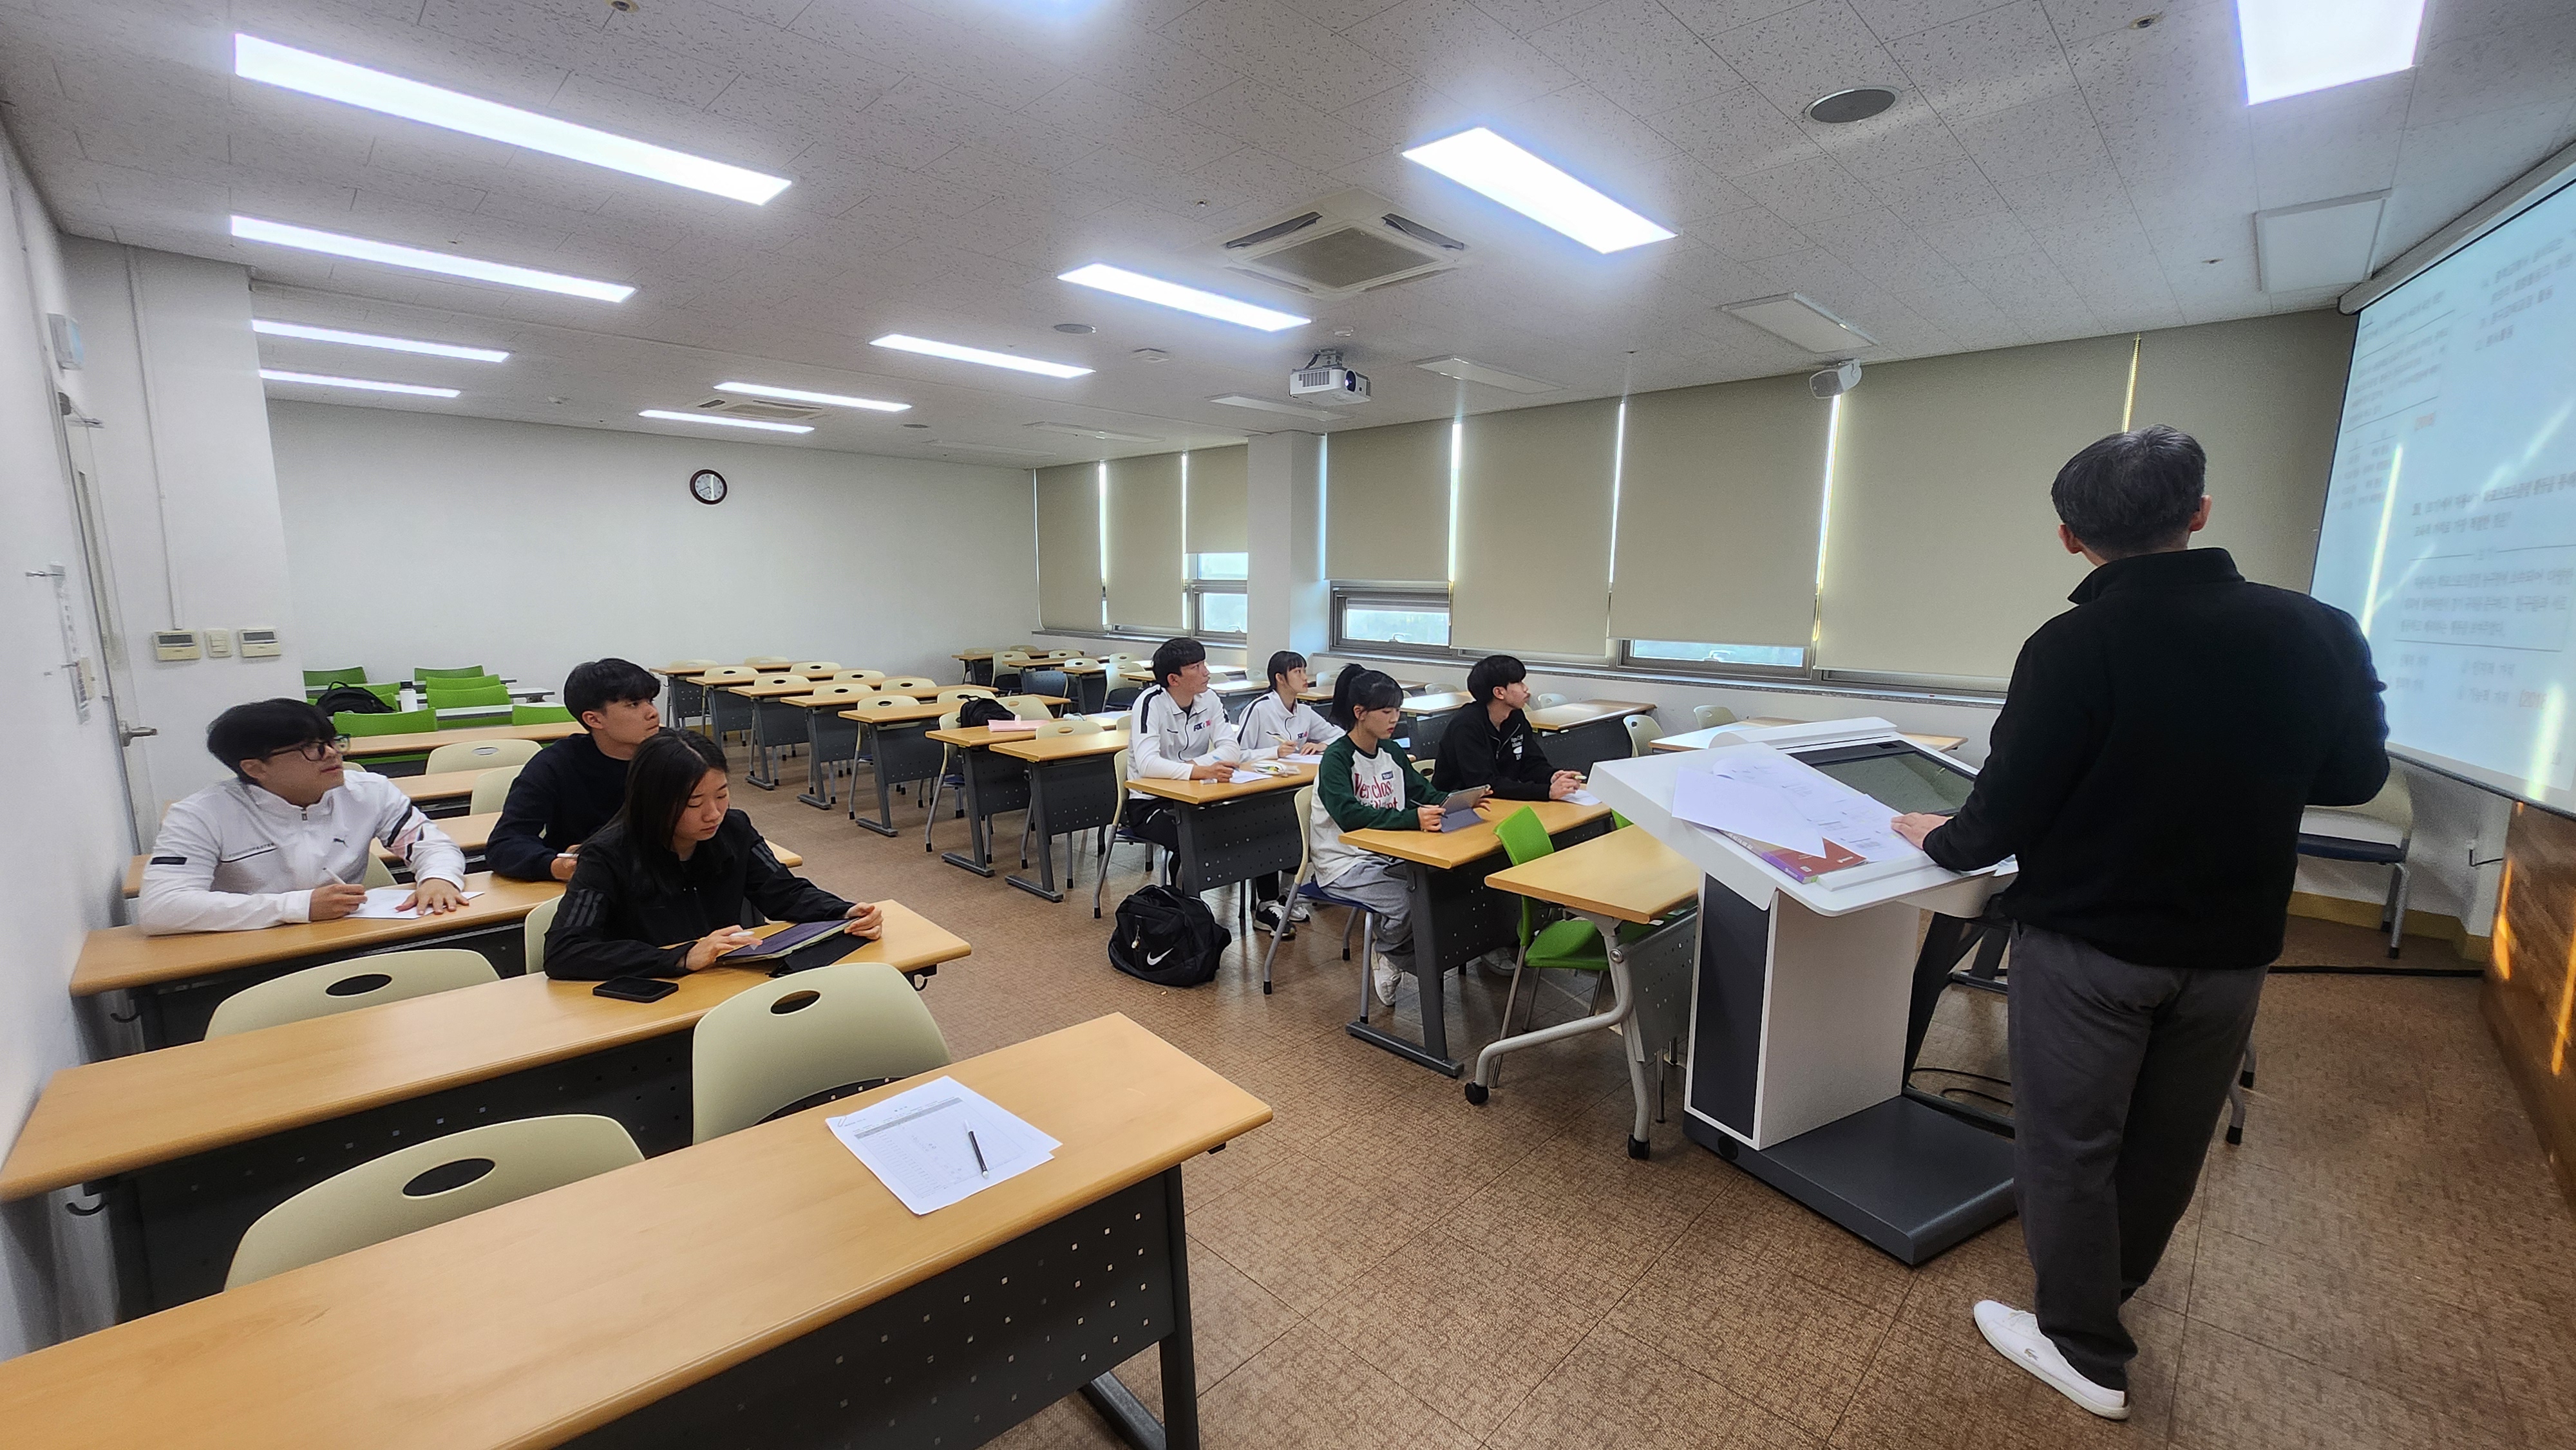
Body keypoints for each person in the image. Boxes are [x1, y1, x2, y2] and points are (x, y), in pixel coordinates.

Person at [1886, 426, 2387, 1420]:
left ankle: (2082, 1348)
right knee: (2168, 1140)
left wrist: (1936, 837)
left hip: (2091, 947)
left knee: (2070, 1145)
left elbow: (2003, 814)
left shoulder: (2072, 645)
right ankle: (2106, 1288)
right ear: (2199, 513)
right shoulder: (2321, 629)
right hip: (2233, 947)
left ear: (2070, 539)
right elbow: (2355, 775)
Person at [544, 731, 882, 979]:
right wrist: (682, 957)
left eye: (721, 796)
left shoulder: (734, 828)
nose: (714, 814)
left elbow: (783, 892)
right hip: (655, 994)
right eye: (694, 803)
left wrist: (843, 911)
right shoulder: (606, 855)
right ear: (654, 802)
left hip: (726, 980)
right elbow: (565, 951)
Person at [138, 699, 466, 934]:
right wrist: (297, 907)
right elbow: (162, 908)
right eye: (311, 748)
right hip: (249, 943)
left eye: (332, 741)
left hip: (343, 933)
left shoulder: (369, 791)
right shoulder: (200, 815)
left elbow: (432, 845)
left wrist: (438, 878)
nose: (332, 754)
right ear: (255, 768)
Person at [1310, 670, 1446, 1007]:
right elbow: (1350, 818)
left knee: (1441, 889)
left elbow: (1424, 793)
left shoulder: (1392, 752)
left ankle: (1411, 954)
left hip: (1388, 854)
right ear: (1360, 713)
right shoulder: (1337, 759)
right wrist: (1412, 819)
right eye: (1386, 712)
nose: (1395, 719)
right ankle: (1388, 951)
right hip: (1344, 863)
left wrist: (1460, 801)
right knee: (1407, 902)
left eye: (1397, 710)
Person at [488, 657, 665, 881]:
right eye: (634, 705)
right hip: (586, 885)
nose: (652, 713)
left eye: (651, 701)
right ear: (594, 719)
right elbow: (505, 844)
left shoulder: (675, 753)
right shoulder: (555, 765)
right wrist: (558, 866)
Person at [1239, 650, 1343, 936]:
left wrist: (1321, 745)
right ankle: (1266, 903)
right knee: (1270, 833)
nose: (1305, 677)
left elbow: (1339, 736)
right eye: (1298, 672)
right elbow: (1236, 752)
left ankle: (1286, 896)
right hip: (1258, 791)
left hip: (1291, 787)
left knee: (1300, 829)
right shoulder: (1260, 709)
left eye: (1305, 670)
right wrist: (1273, 752)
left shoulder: (1304, 711)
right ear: (1280, 679)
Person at [1124, 634, 1245, 862]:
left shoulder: (1209, 698)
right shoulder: (1150, 703)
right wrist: (1200, 771)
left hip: (1197, 794)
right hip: (1151, 802)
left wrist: (1193, 767)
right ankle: (1183, 886)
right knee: (1193, 842)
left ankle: (1263, 888)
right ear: (1174, 679)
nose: (1206, 673)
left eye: (1204, 664)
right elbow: (1148, 765)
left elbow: (1231, 749)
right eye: (1196, 667)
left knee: (1251, 830)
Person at [1434, 654, 1584, 802]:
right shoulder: (1466, 725)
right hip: (1460, 805)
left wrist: (1551, 776)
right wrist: (1546, 792)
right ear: (1499, 692)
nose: (1525, 688)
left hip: (1500, 800)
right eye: (1518, 683)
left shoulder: (1515, 716)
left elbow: (1530, 763)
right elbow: (1483, 784)